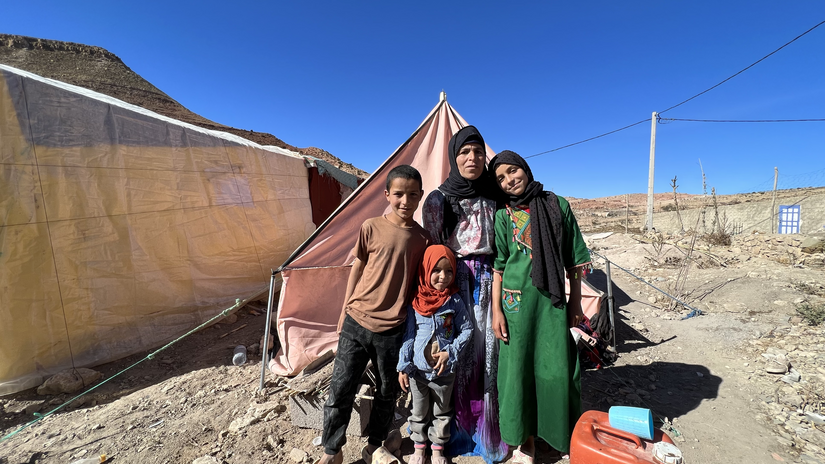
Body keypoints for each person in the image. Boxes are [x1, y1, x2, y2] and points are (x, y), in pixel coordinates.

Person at [318, 165, 431, 464]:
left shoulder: (422, 238)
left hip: (393, 328)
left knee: (386, 391)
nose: (405, 201)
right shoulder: (370, 226)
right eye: (398, 194)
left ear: (420, 197)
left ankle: (375, 445)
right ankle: (332, 450)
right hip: (357, 320)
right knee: (341, 388)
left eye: (412, 195)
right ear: (386, 195)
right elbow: (358, 267)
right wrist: (345, 309)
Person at [489, 150, 591, 463]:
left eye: (512, 171)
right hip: (515, 305)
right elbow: (499, 266)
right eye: (501, 178)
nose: (509, 181)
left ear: (525, 168)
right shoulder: (503, 215)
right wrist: (496, 311)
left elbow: (574, 262)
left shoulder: (557, 205)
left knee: (555, 370)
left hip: (552, 303)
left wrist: (575, 302)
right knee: (518, 372)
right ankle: (526, 440)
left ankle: (553, 433)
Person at [421, 125, 506, 463]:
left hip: (491, 279)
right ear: (454, 157)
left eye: (477, 152)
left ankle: (489, 431)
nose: (472, 158)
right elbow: (435, 247)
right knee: (458, 349)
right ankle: (451, 434)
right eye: (464, 153)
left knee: (489, 351)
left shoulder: (496, 192)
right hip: (456, 280)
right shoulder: (441, 198)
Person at [397, 245, 473, 464]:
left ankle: (438, 449)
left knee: (442, 412)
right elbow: (409, 335)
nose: (443, 277)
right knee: (418, 411)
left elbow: (467, 330)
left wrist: (450, 353)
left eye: (449, 271)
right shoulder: (415, 302)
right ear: (425, 269)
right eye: (437, 270)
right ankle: (419, 449)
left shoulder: (454, 301)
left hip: (444, 372)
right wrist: (403, 365)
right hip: (418, 372)